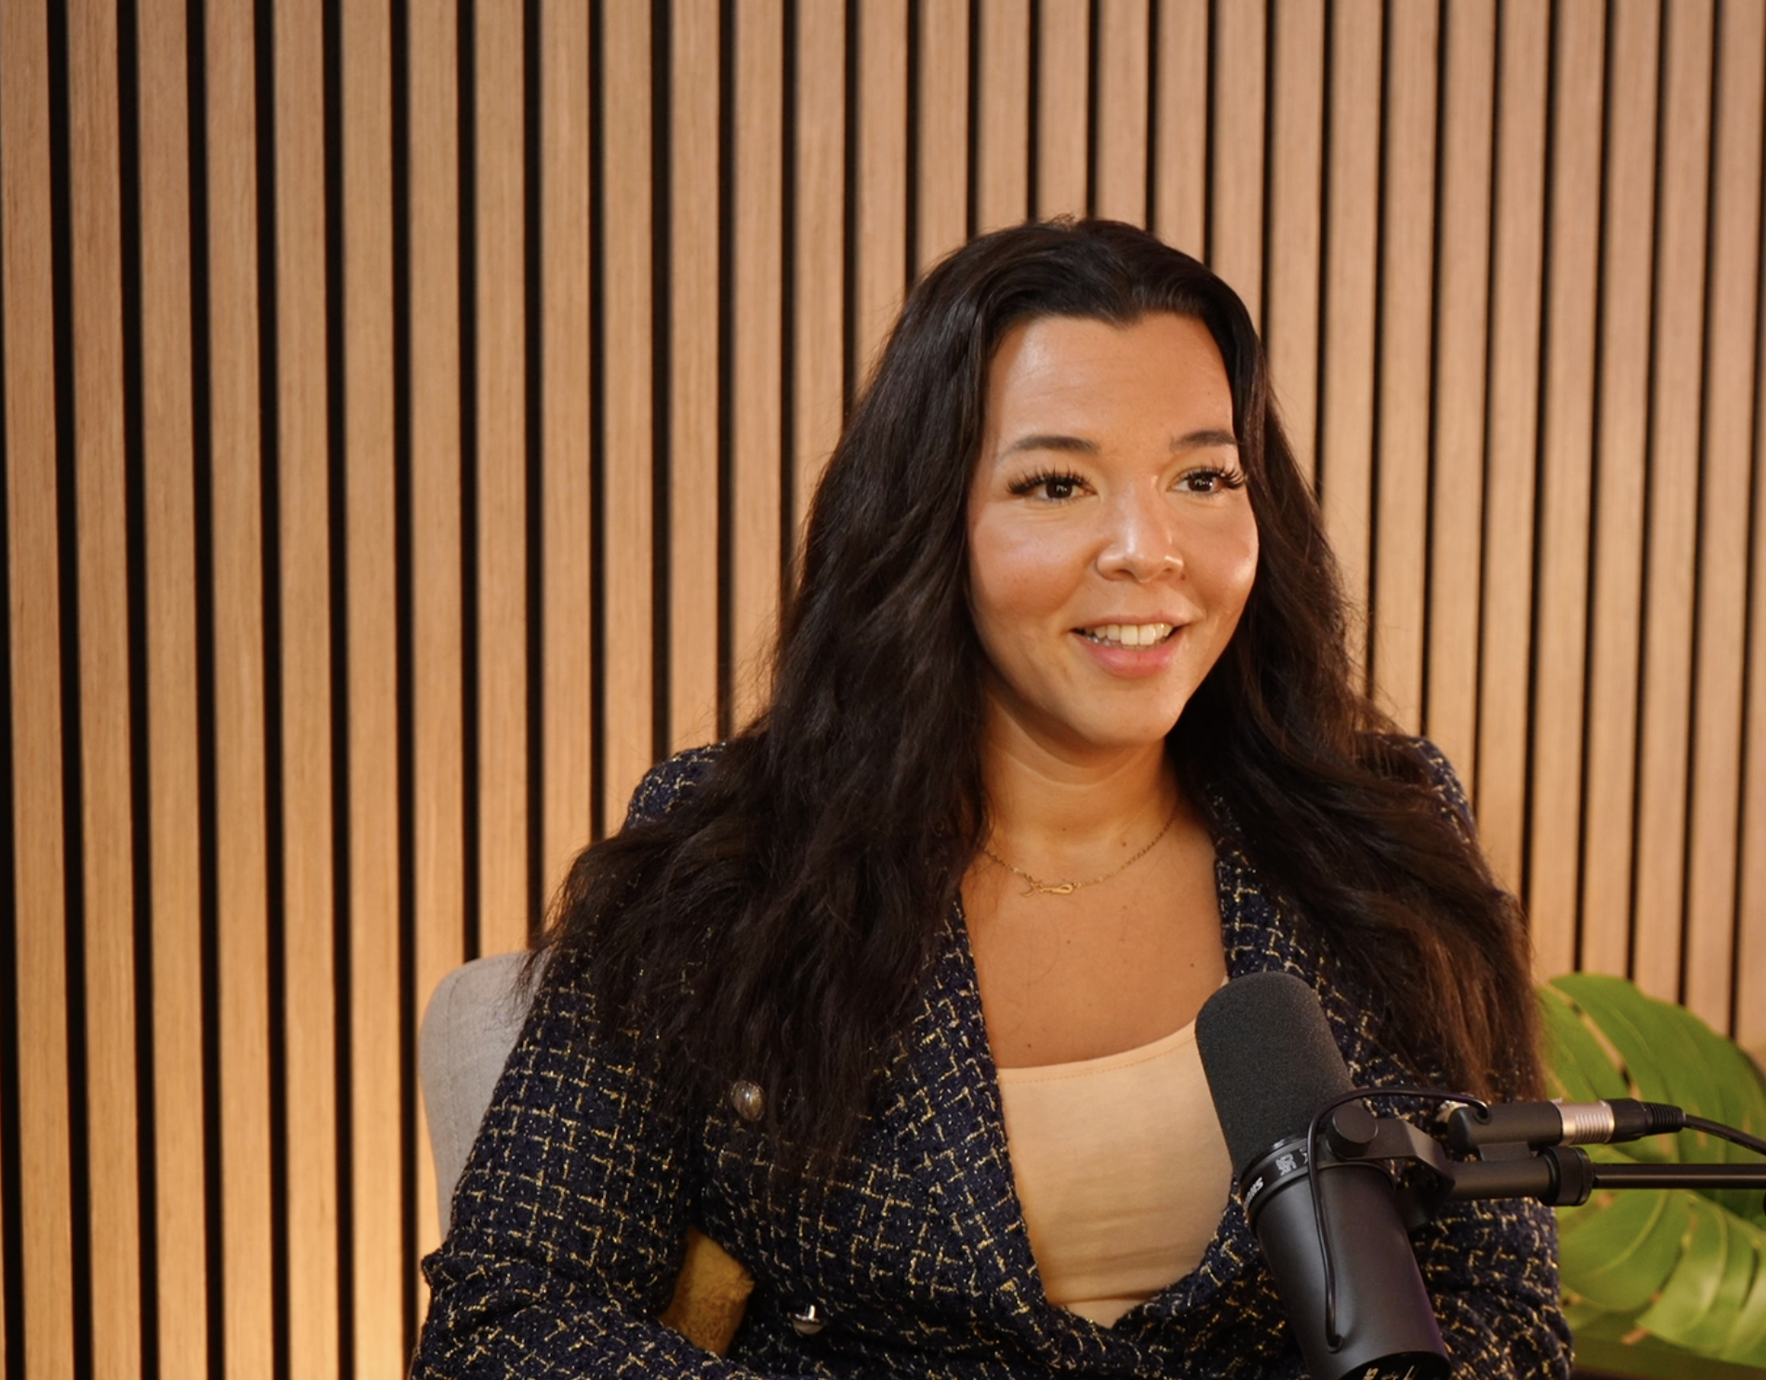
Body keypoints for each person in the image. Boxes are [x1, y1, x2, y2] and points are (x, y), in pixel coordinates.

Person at [414, 219, 1574, 1379]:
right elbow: (510, 1318)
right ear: (930, 525)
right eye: (1057, 483)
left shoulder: (1381, 835)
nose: (1146, 548)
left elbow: (1504, 1308)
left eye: (1203, 476)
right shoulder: (739, 860)